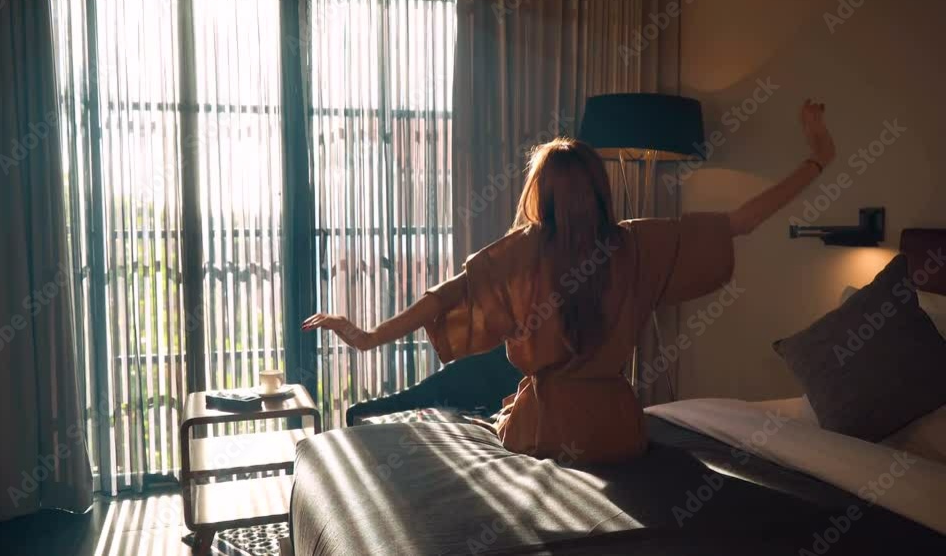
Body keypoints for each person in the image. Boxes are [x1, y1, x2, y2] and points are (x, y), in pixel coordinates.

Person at [303, 100, 835, 463]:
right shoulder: (636, 242)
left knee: (494, 421)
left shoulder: (523, 247)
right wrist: (817, 158)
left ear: (542, 193)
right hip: (620, 431)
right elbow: (739, 221)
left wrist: (369, 336)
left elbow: (446, 298)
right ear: (599, 189)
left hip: (548, 431)